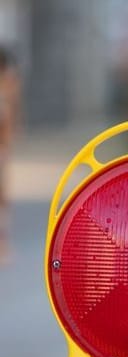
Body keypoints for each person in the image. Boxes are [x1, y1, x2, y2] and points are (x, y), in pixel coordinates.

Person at [0, 46, 20, 265]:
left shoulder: (9, 86)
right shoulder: (8, 87)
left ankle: (3, 242)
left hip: (2, 149)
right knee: (2, 197)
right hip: (2, 150)